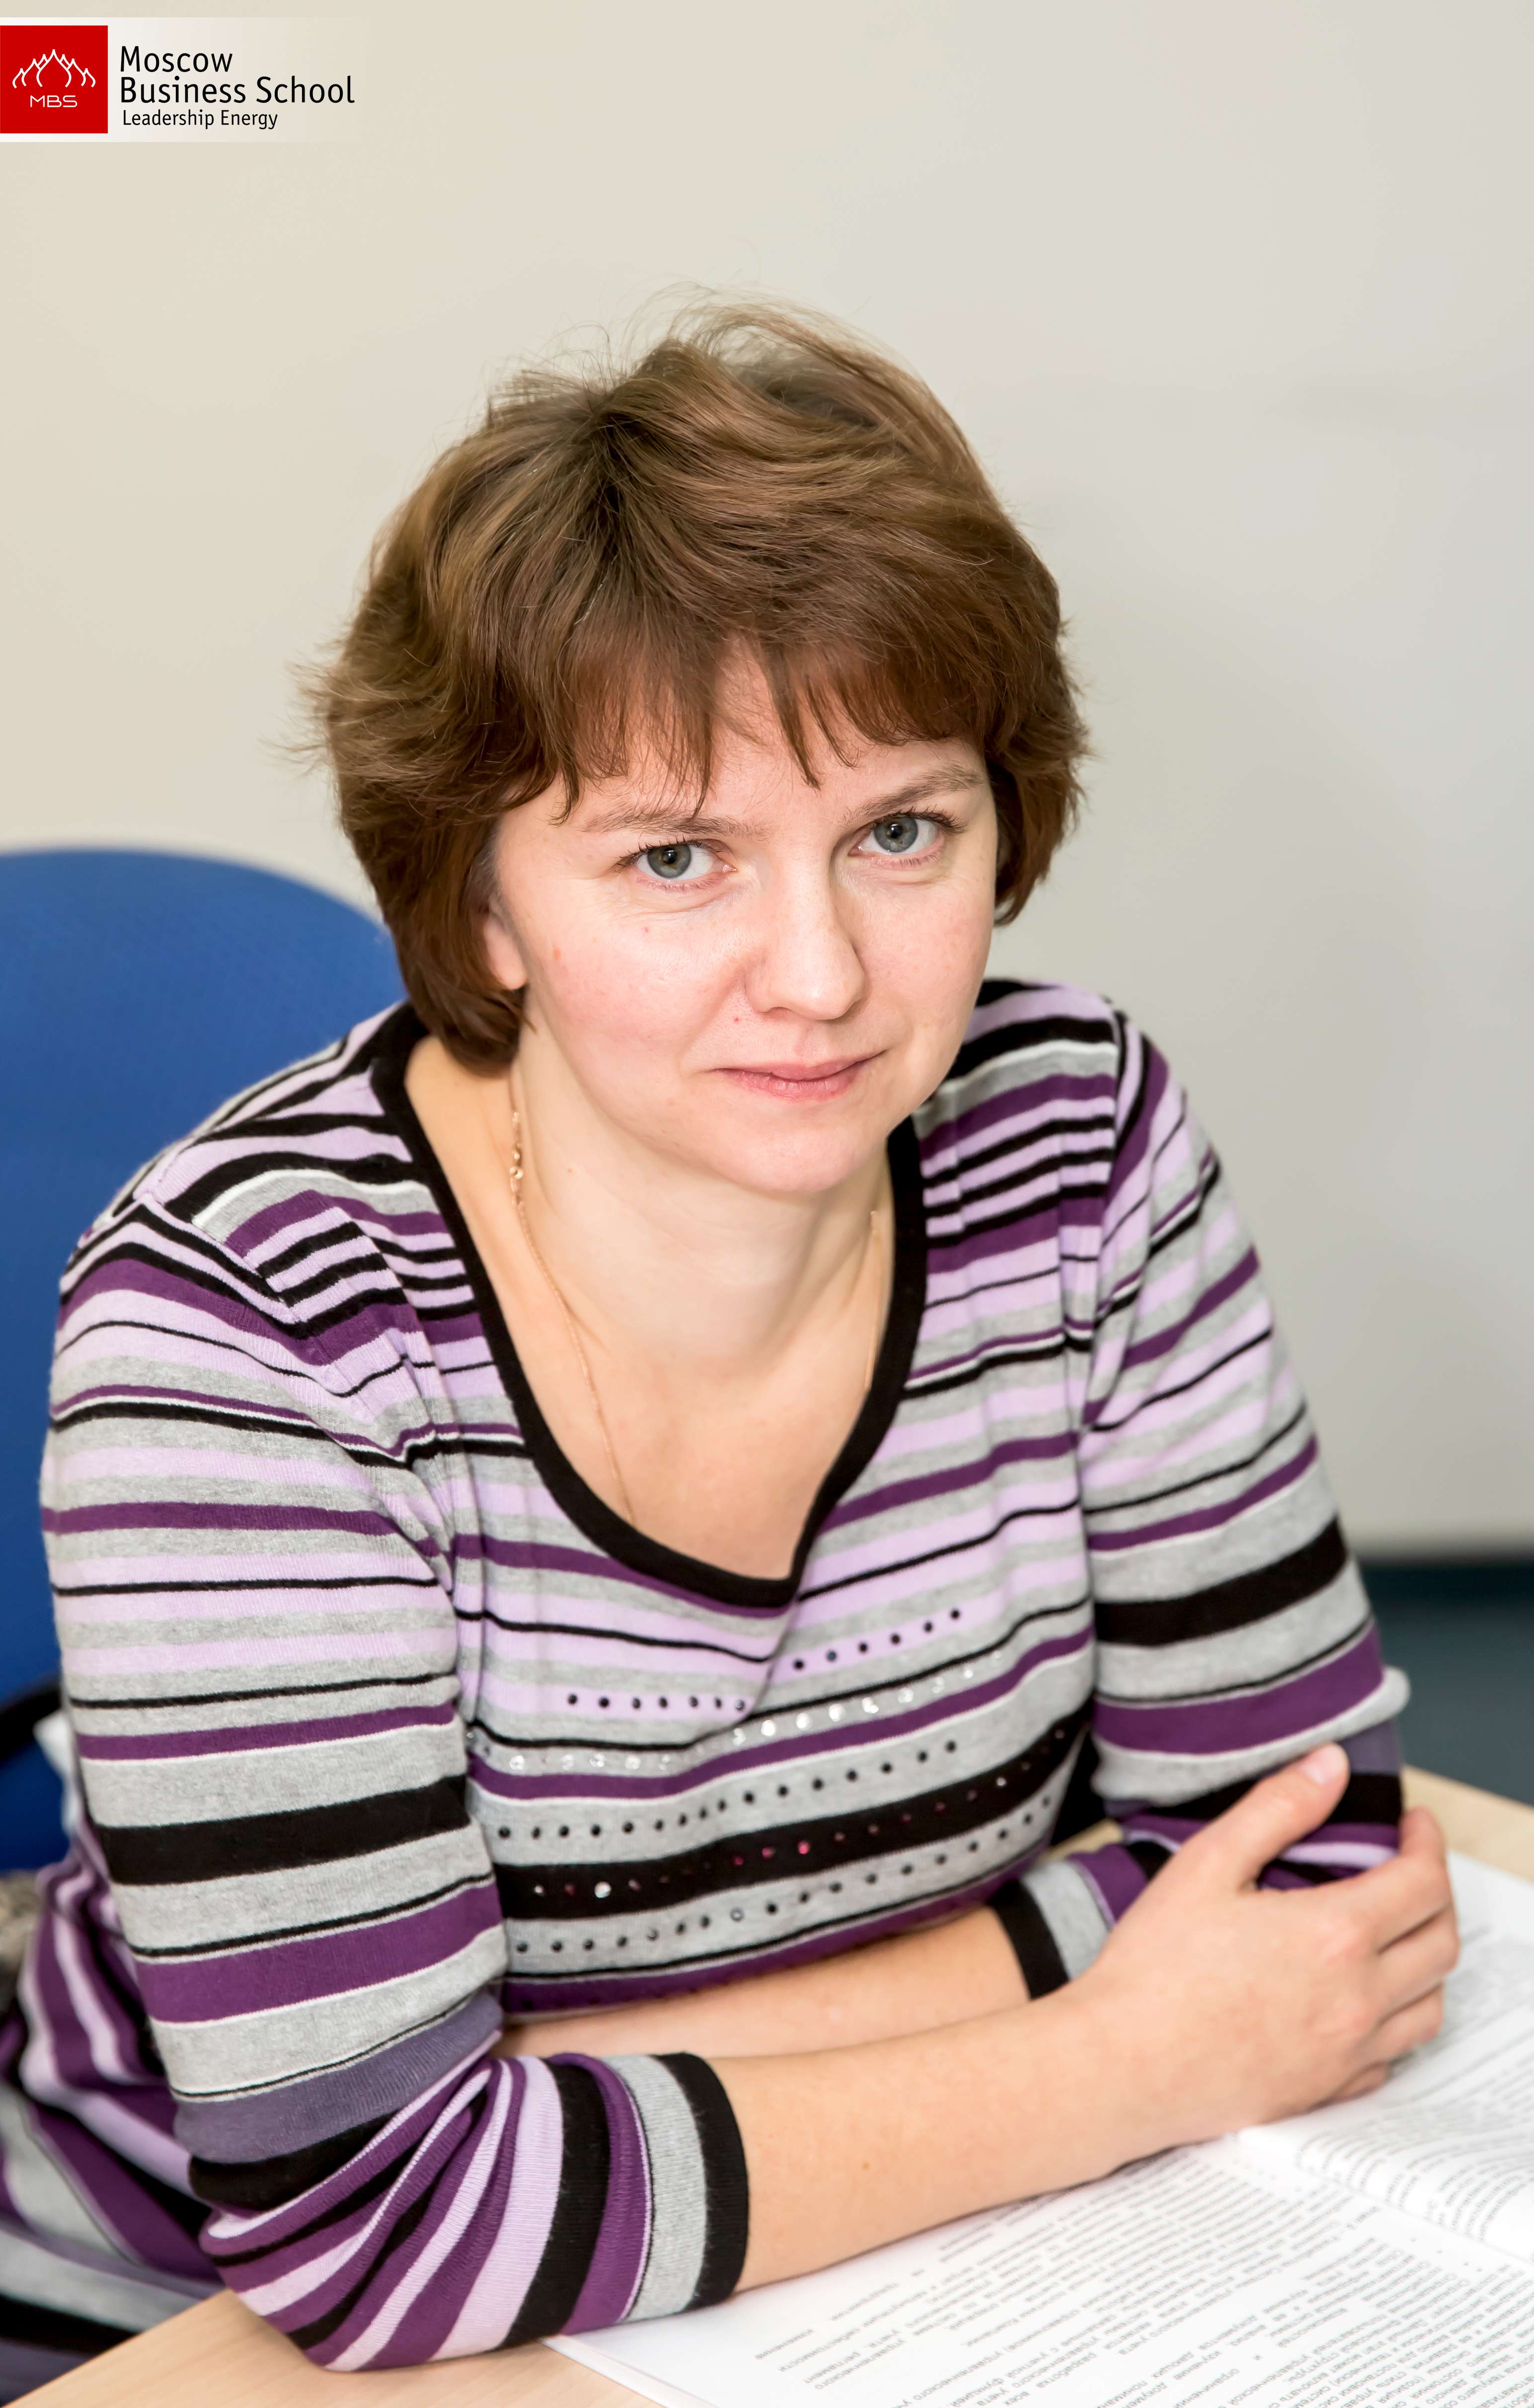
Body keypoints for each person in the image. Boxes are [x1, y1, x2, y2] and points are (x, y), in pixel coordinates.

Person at [0, 302, 1457, 2384]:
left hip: (891, 2278)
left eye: (900, 833)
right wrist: (1117, 2053)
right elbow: (369, 2231)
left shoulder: (1075, 1140)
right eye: (676, 858)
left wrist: (541, 2101)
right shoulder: (250, 1328)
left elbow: (1304, 1862)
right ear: (481, 905)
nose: (822, 974)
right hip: (188, 2343)